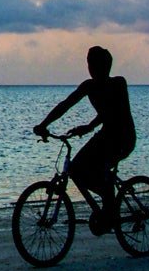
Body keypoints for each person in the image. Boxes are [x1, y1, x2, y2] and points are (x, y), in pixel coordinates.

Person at [34, 45, 136, 236]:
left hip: (123, 137)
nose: (91, 68)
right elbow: (65, 105)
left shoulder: (119, 83)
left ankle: (109, 209)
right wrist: (44, 124)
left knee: (100, 172)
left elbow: (115, 113)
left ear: (104, 66)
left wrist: (89, 127)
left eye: (94, 64)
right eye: (90, 64)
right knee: (75, 168)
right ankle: (107, 205)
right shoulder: (89, 86)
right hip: (106, 135)